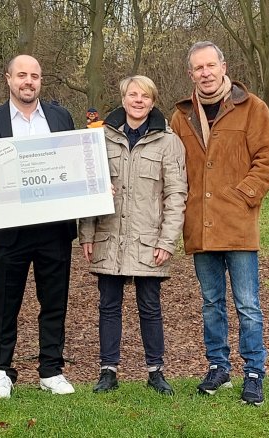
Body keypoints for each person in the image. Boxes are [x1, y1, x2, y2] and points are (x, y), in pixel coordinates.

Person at [170, 41, 269, 406]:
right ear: (191, 74)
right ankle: (218, 365)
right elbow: (170, 167)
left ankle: (253, 371)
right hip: (200, 225)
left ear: (223, 66)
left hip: (237, 224)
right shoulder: (181, 116)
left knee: (248, 303)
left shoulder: (252, 108)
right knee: (210, 302)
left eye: (210, 66)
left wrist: (243, 195)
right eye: (197, 68)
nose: (205, 73)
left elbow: (267, 159)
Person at [0, 54, 77, 399]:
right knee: (5, 301)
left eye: (35, 76)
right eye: (22, 76)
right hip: (9, 228)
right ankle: (1, 370)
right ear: (8, 79)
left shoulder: (60, 117)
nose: (28, 82)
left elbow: (73, 164)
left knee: (55, 301)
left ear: (41, 81)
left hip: (53, 227)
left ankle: (51, 370)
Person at [78, 75, 187, 395]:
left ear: (153, 101)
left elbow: (176, 195)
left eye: (146, 96)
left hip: (148, 240)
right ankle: (108, 371)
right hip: (109, 236)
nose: (138, 101)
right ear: (123, 98)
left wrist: (167, 241)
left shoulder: (169, 142)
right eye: (133, 95)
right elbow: (87, 188)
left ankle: (155, 371)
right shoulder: (99, 138)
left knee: (150, 306)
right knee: (108, 305)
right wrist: (87, 233)